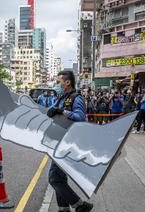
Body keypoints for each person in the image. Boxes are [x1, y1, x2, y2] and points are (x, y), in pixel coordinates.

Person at [47, 71, 93, 212]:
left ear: (67, 82)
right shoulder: (62, 97)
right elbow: (53, 110)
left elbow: (80, 117)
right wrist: (51, 111)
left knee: (54, 178)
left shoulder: (76, 98)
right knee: (60, 178)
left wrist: (62, 112)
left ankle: (80, 205)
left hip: (69, 142)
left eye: (58, 82)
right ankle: (63, 209)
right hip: (59, 140)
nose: (57, 85)